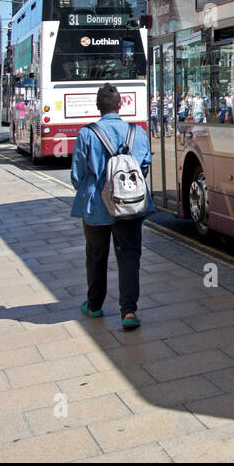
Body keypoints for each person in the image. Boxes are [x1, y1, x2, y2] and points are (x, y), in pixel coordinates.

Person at [70, 83, 154, 330]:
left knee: (96, 255)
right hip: (129, 206)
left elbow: (77, 175)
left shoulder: (87, 134)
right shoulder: (136, 132)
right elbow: (144, 167)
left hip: (96, 206)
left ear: (98, 106)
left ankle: (94, 305)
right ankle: (128, 311)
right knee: (129, 256)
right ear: (120, 105)